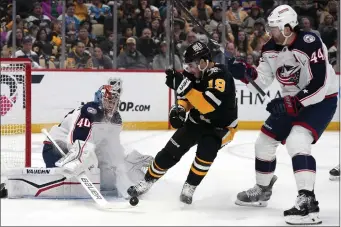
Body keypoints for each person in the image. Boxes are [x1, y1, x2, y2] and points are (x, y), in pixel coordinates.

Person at [228, 5, 338, 225]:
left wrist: (293, 102)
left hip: (321, 101)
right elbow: (262, 81)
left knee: (298, 140)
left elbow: (319, 83)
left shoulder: (310, 43)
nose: (271, 33)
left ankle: (308, 203)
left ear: (288, 27)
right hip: (292, 101)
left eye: (275, 28)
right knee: (264, 142)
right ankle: (262, 190)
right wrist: (244, 73)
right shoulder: (270, 47)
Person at [127, 41, 238, 204]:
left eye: (192, 65)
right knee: (170, 151)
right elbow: (186, 98)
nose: (189, 69)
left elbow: (208, 106)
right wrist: (178, 110)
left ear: (203, 62)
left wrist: (185, 88)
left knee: (206, 152)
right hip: (197, 120)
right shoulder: (194, 73)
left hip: (220, 127)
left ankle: (190, 186)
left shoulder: (220, 75)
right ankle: (147, 181)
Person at [41, 77, 153, 198]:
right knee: (79, 167)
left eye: (114, 102)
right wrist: (83, 159)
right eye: (109, 101)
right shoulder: (89, 110)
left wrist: (125, 165)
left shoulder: (116, 119)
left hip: (83, 154)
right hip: (56, 149)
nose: (112, 105)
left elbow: (112, 149)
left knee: (108, 177)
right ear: (101, 99)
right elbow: (75, 141)